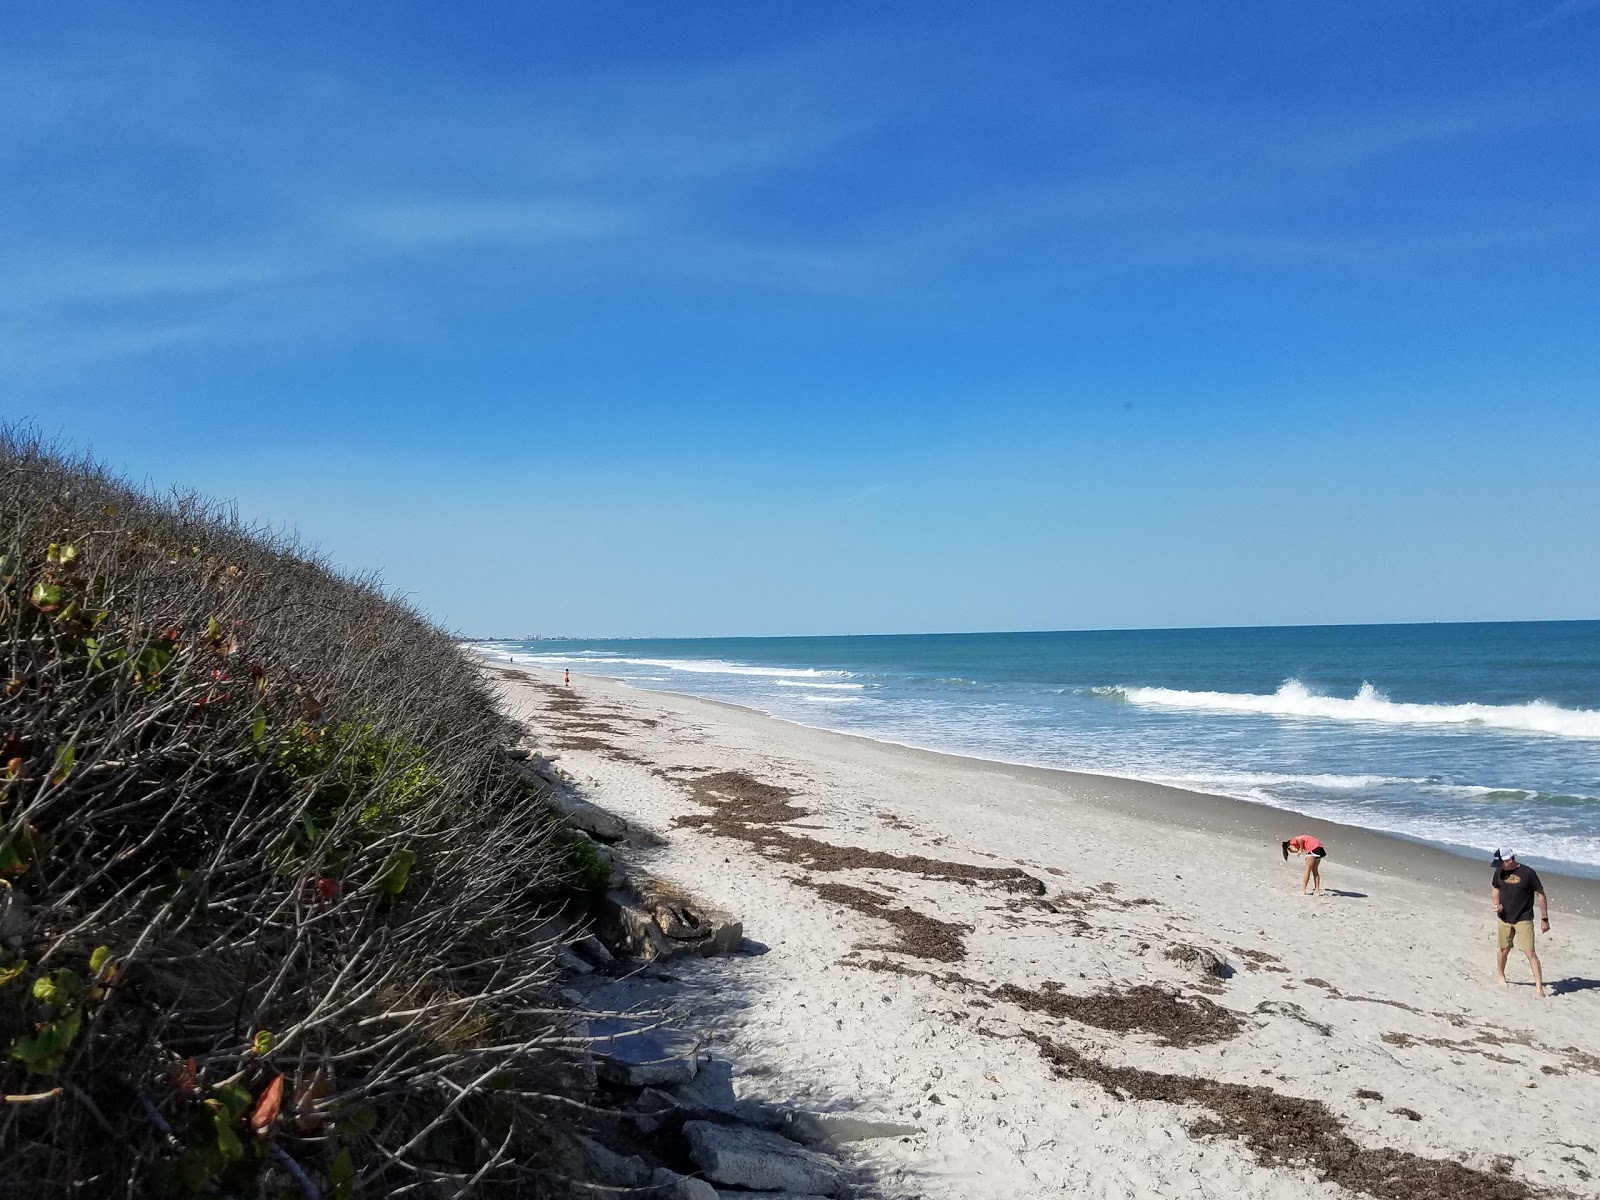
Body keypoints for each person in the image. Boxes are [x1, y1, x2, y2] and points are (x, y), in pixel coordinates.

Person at [1491, 849, 1548, 997]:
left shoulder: (1528, 873)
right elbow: (1496, 889)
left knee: (1530, 953)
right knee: (1503, 949)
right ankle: (1501, 976)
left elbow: (1541, 895)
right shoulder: (1499, 872)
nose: (1500, 866)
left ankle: (1539, 988)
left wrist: (1544, 919)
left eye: (1501, 863)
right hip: (1504, 917)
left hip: (1524, 918)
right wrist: (1496, 904)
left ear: (1509, 860)